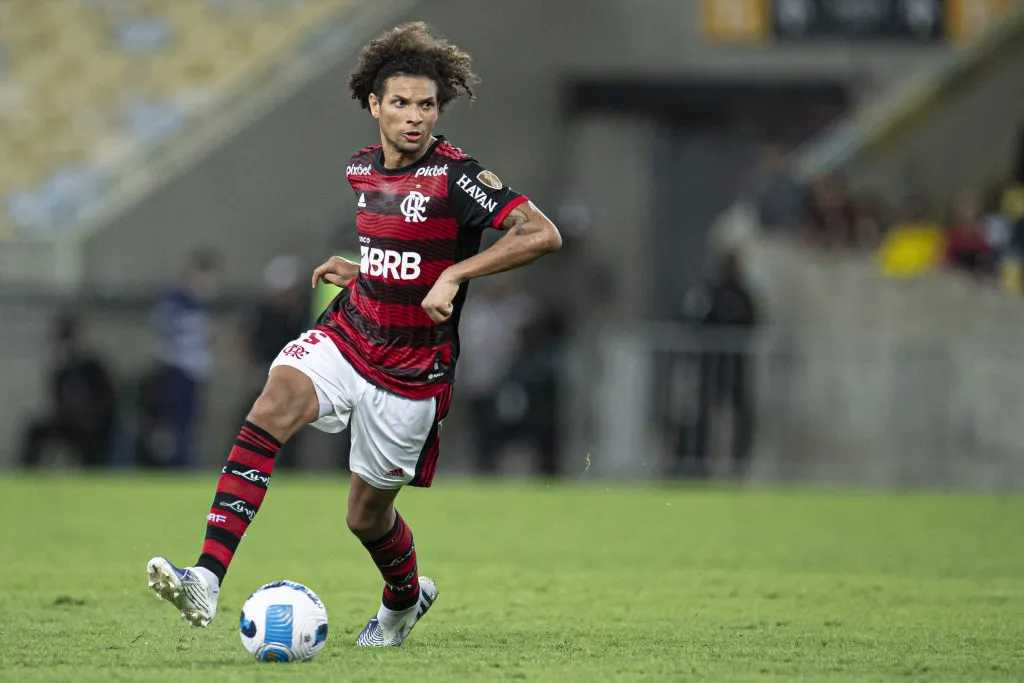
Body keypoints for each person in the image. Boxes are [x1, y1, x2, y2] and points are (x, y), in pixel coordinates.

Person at [146, 22, 561, 647]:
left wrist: (456, 272)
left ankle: (403, 599)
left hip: (413, 373)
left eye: (426, 106)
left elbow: (541, 233)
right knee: (273, 402)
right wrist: (364, 270)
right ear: (374, 105)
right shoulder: (361, 169)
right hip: (352, 332)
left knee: (365, 516)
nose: (414, 118)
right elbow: (400, 249)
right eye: (400, 103)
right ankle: (206, 575)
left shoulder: (459, 176)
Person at [141, 248, 221, 468]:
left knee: (190, 423)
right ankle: (174, 464)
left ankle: (184, 463)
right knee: (174, 424)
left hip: (195, 372)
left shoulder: (201, 303)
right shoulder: (176, 301)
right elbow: (167, 330)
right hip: (177, 369)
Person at [21, 313, 117, 469]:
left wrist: (90, 416)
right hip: (69, 423)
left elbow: (107, 401)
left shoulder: (93, 369)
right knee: (36, 431)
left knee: (94, 440)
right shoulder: (61, 373)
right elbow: (56, 402)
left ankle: (93, 471)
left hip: (92, 425)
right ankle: (27, 471)